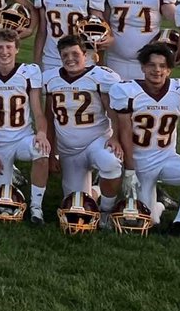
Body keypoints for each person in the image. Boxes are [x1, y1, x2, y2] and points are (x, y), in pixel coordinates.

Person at [109, 43, 180, 234]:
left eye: (162, 66)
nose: (157, 70)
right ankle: (160, 205)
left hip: (166, 158)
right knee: (145, 222)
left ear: (169, 69)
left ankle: (179, 224)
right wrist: (129, 169)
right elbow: (125, 132)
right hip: (139, 161)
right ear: (143, 68)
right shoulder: (127, 91)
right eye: (152, 65)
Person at [0, 28, 51, 225]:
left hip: (22, 137)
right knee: (1, 198)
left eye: (9, 47)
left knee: (42, 152)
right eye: (0, 47)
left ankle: (36, 207)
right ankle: (10, 173)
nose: (4, 52)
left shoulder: (29, 72)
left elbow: (38, 112)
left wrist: (41, 133)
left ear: (17, 49)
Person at [42, 34, 123, 222]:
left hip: (97, 140)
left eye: (74, 53)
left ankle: (106, 212)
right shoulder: (51, 79)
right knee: (76, 203)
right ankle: (96, 190)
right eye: (65, 55)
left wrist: (115, 137)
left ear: (84, 54)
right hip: (68, 150)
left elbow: (112, 111)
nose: (70, 59)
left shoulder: (99, 76)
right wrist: (53, 152)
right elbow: (49, 117)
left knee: (110, 163)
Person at [98, 0, 178, 81]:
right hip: (116, 58)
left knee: (144, 97)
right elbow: (104, 22)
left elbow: (176, 18)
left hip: (148, 60)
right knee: (117, 95)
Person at [33, 0, 105, 74]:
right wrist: (36, 62)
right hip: (52, 57)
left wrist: (99, 62)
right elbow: (42, 31)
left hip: (82, 57)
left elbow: (100, 33)